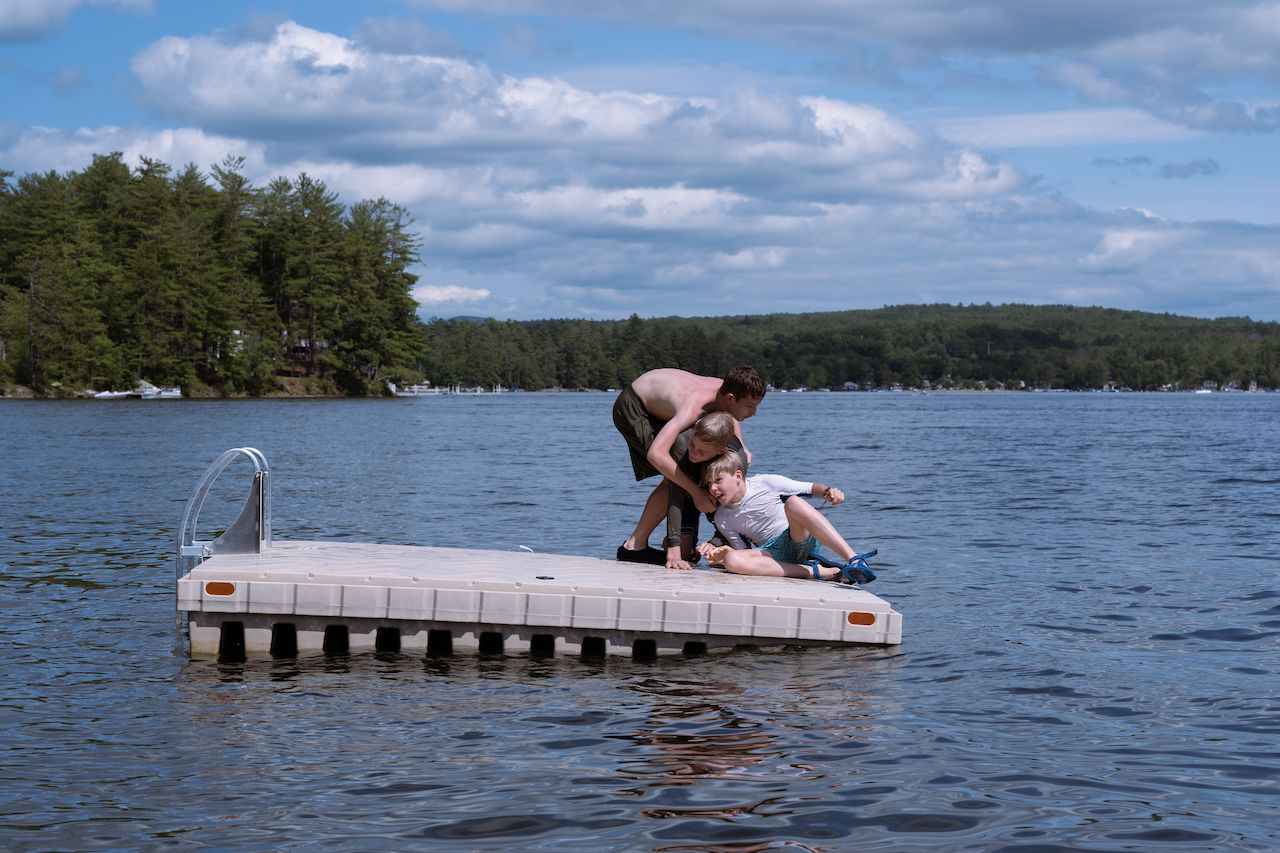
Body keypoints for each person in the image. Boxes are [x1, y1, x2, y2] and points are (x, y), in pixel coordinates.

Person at [613, 365, 765, 564]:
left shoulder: (728, 391)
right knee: (674, 473)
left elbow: (729, 417)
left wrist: (742, 446)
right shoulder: (693, 408)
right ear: (730, 398)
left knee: (701, 457)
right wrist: (696, 492)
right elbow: (656, 455)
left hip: (661, 398)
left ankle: (715, 536)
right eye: (750, 406)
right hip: (634, 407)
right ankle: (634, 546)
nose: (754, 412)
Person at [696, 450, 874, 582]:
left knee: (793, 502)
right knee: (732, 559)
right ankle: (817, 571)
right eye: (709, 484)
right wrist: (728, 554)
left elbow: (811, 489)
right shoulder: (722, 518)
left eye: (718, 480)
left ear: (738, 475)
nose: (712, 488)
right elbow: (745, 554)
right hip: (772, 553)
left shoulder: (766, 483)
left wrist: (828, 491)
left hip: (797, 537)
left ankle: (854, 559)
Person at [661, 412, 747, 570]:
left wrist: (716, 541)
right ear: (693, 433)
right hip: (687, 493)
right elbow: (675, 495)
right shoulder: (682, 443)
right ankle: (687, 545)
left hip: (718, 504)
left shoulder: (737, 459)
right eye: (693, 445)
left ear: (721, 450)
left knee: (719, 555)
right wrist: (674, 548)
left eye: (702, 452)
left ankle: (714, 542)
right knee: (681, 552)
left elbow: (735, 509)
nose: (693, 453)